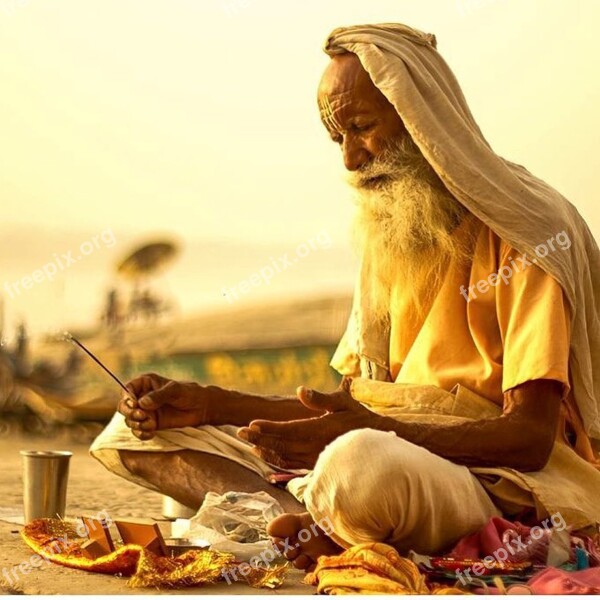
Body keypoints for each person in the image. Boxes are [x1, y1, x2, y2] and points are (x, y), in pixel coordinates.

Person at [91, 23, 600, 571]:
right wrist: (210, 403)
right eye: (339, 140)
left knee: (358, 464)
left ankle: (308, 521)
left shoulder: (529, 228)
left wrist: (368, 431)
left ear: (422, 118)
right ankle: (303, 524)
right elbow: (348, 408)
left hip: (495, 484)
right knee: (132, 434)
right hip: (386, 453)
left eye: (361, 128)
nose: (352, 161)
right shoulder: (395, 235)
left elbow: (528, 439)